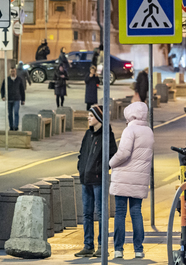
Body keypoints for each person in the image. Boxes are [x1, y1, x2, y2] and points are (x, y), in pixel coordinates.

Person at [109, 102, 153, 259]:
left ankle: (118, 249)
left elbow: (123, 153)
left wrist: (110, 163)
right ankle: (138, 249)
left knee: (120, 212)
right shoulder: (148, 131)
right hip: (139, 177)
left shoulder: (130, 130)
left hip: (124, 176)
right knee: (136, 213)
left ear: (131, 115)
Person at [75, 105, 118, 258]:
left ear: (99, 118)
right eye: (88, 115)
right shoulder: (88, 134)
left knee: (100, 213)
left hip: (98, 180)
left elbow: (113, 155)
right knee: (86, 214)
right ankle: (88, 246)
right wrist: (81, 168)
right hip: (86, 179)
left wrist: (101, 169)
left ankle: (102, 246)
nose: (88, 118)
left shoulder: (107, 135)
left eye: (91, 116)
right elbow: (81, 153)